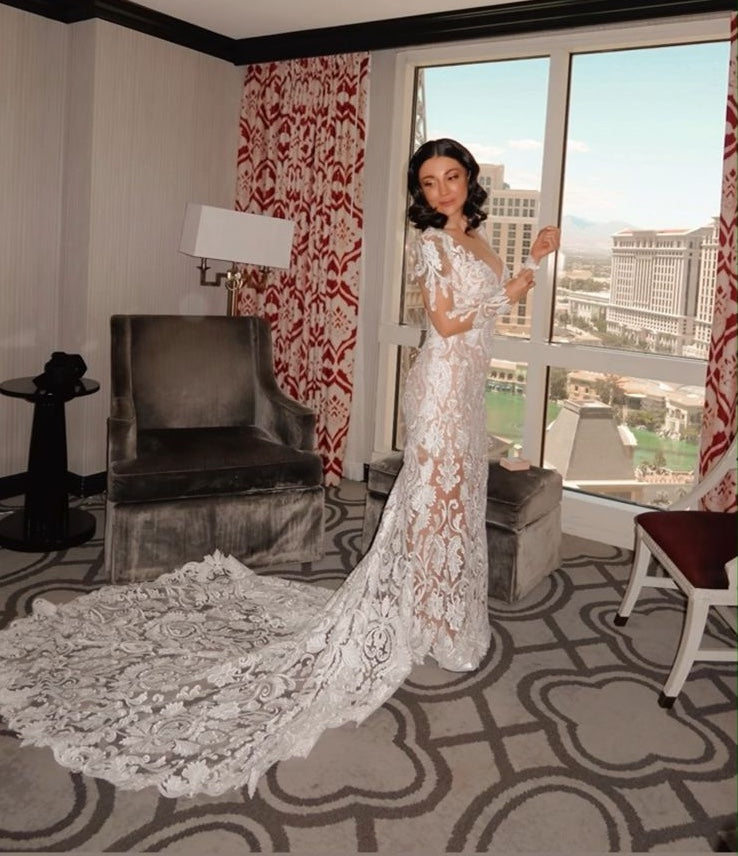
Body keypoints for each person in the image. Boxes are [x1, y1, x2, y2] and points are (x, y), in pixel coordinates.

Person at [0, 138, 560, 799]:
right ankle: (419, 611)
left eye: (452, 177)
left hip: (467, 390)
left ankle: (438, 612)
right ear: (421, 192)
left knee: (455, 502)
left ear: (470, 181)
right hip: (439, 389)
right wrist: (512, 288)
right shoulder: (433, 243)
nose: (442, 190)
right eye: (430, 181)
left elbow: (490, 310)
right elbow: (445, 322)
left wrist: (530, 262)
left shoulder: (480, 241)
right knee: (430, 500)